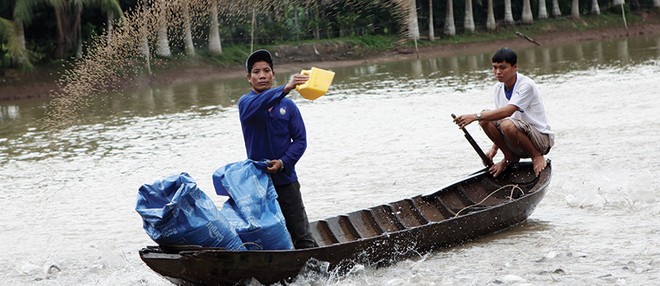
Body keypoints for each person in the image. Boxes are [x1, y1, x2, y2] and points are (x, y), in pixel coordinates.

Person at [237, 49, 318, 249]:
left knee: (301, 234)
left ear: (273, 74)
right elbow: (261, 102)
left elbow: (300, 140)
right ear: (249, 78)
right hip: (258, 183)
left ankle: (317, 274)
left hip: (286, 179)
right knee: (263, 236)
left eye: (266, 70)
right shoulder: (246, 103)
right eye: (256, 72)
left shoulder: (288, 106)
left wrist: (283, 162)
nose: (262, 75)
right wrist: (286, 87)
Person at [453, 47, 554, 177]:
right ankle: (509, 157)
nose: (497, 72)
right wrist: (494, 150)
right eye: (495, 68)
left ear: (515, 67)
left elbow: (507, 112)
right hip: (516, 139)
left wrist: (475, 116)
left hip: (539, 141)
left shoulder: (526, 85)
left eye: (502, 68)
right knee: (486, 119)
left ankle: (536, 156)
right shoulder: (497, 88)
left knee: (503, 123)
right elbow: (499, 118)